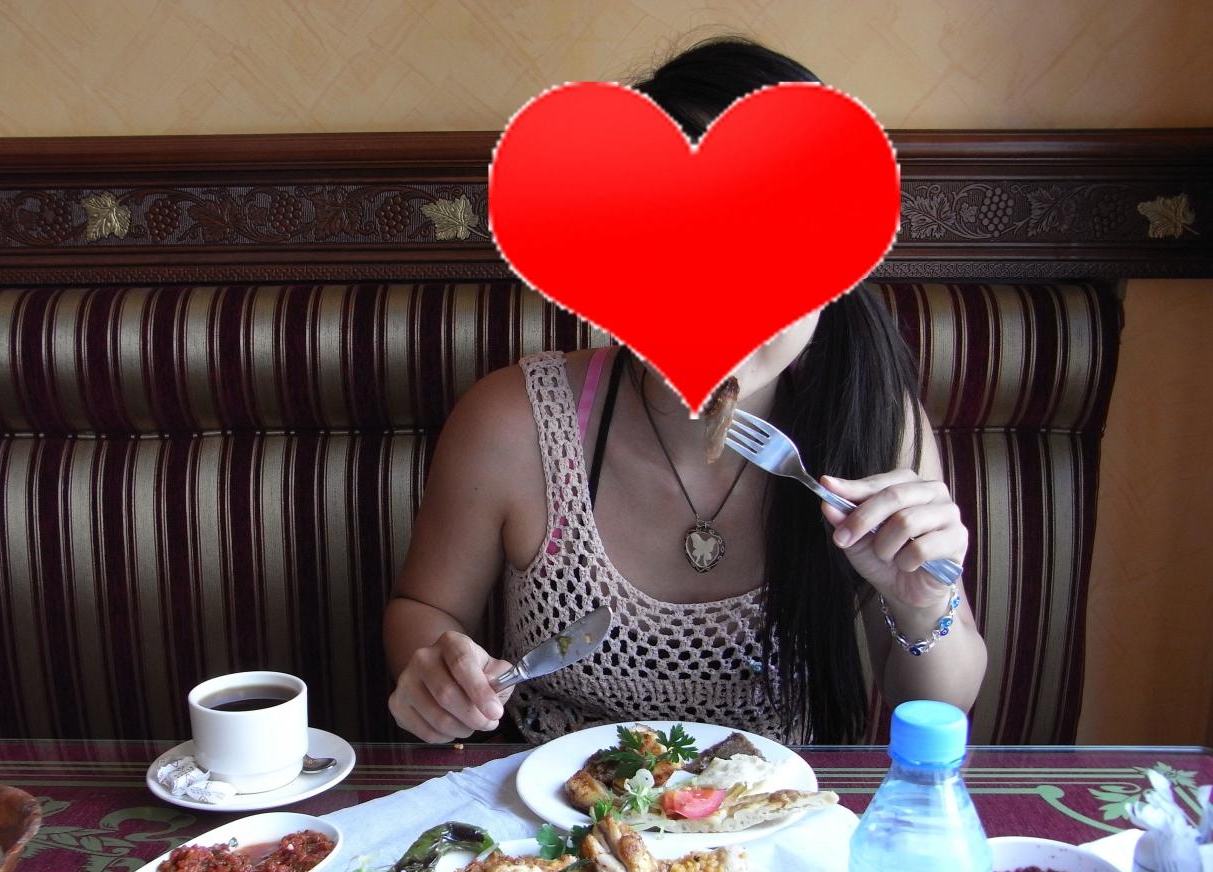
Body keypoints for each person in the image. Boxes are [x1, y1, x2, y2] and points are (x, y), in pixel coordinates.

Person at [384, 36, 987, 746]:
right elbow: (424, 607)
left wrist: (922, 606)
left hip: (784, 809)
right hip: (551, 807)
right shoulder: (513, 422)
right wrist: (438, 675)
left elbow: (941, 703)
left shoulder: (875, 424)